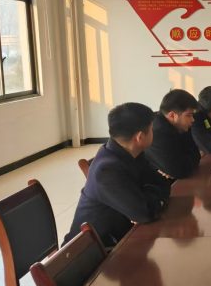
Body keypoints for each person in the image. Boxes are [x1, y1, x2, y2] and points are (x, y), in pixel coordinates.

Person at [64, 103, 169, 247]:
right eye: (151, 129)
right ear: (139, 137)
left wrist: (147, 199)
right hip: (92, 252)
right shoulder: (107, 170)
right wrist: (154, 200)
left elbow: (163, 184)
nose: (154, 132)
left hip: (121, 237)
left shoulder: (131, 153)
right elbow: (144, 213)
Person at [145, 89, 200, 181]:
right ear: (172, 115)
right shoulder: (158, 132)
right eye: (189, 115)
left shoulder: (181, 126)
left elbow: (196, 155)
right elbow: (180, 171)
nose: (193, 119)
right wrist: (186, 160)